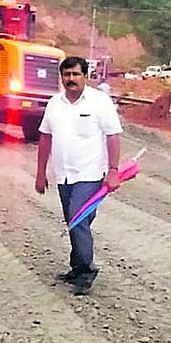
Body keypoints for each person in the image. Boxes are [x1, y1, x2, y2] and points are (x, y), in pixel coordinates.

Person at [35, 56, 123, 296]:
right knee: (76, 221)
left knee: (77, 218)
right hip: (63, 175)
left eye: (75, 74)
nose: (71, 79)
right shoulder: (55, 103)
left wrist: (113, 171)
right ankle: (77, 267)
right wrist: (40, 173)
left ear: (86, 76)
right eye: (66, 75)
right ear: (61, 77)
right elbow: (45, 137)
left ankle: (86, 270)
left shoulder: (99, 102)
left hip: (90, 174)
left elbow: (113, 136)